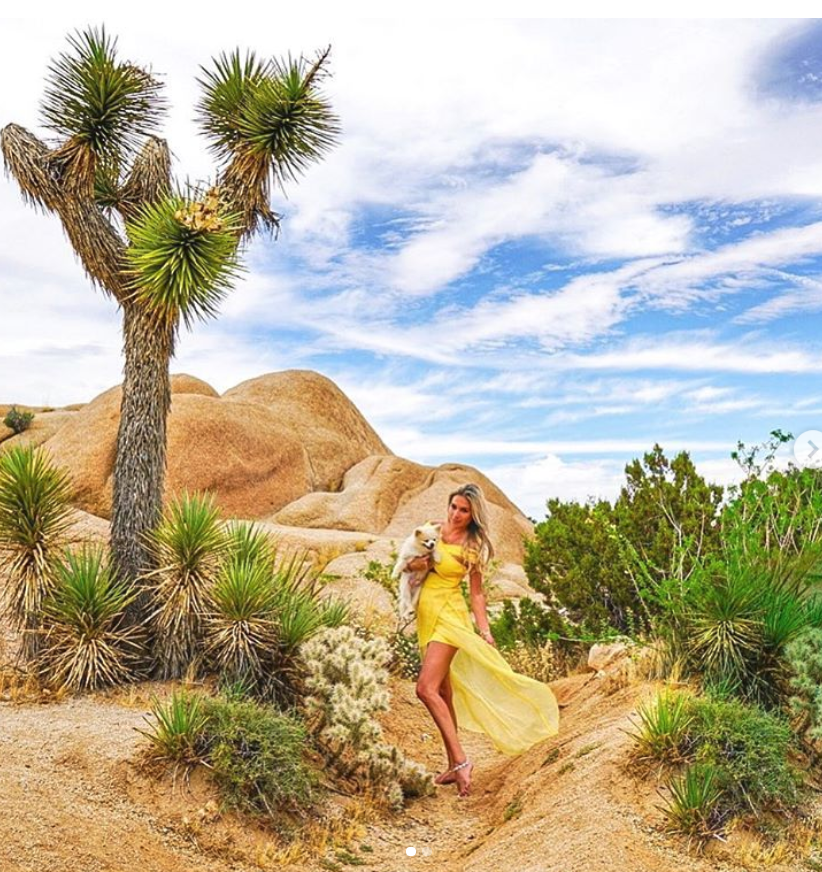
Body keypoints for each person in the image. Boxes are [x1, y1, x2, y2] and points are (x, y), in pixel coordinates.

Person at [407, 483, 560, 797]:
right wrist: (418, 564)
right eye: (454, 507)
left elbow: (476, 593)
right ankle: (452, 763)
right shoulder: (432, 530)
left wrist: (485, 629)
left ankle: (462, 761)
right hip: (427, 615)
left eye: (464, 510)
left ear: (473, 515)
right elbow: (409, 563)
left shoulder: (472, 547)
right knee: (444, 691)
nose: (456, 514)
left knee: (425, 689)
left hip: (450, 618)